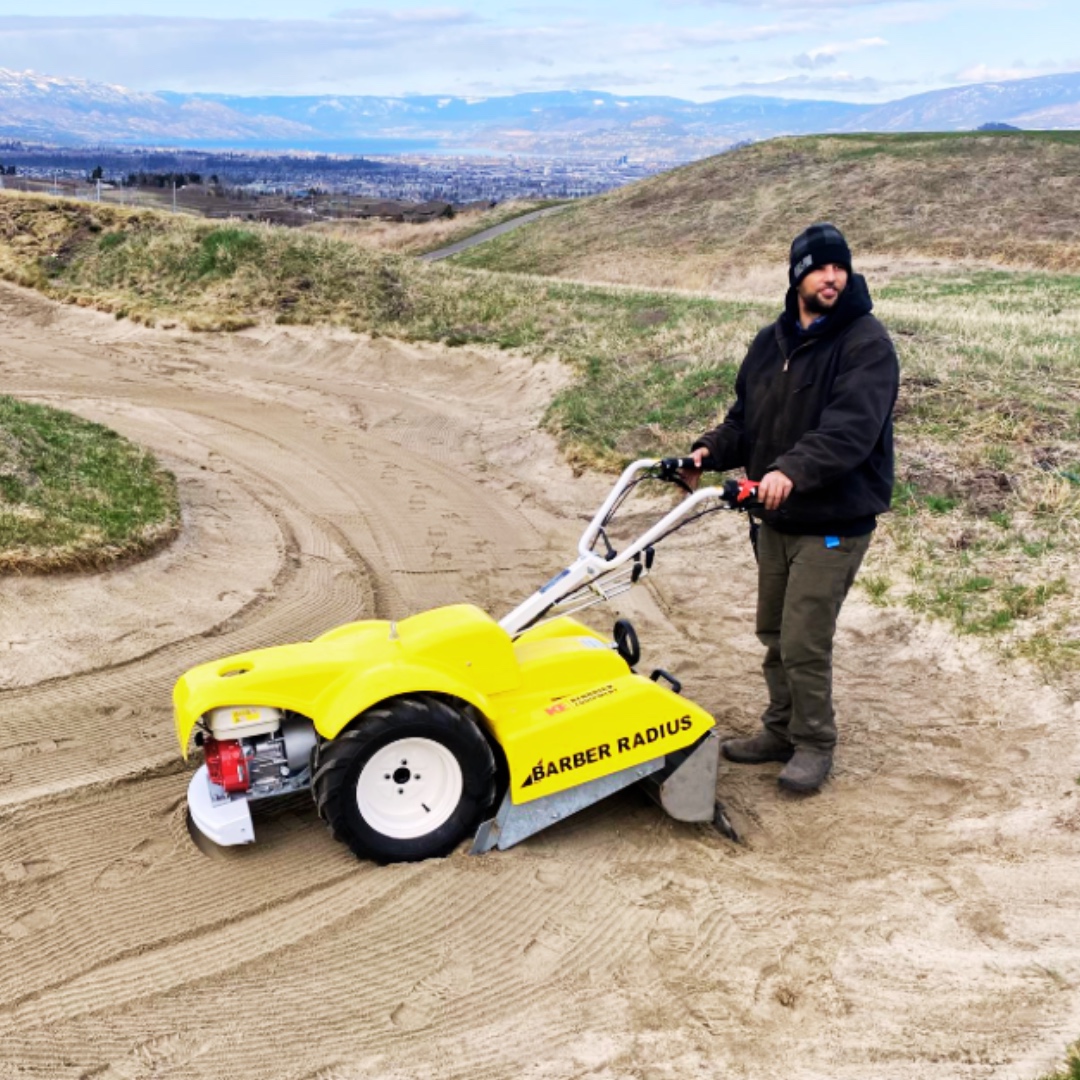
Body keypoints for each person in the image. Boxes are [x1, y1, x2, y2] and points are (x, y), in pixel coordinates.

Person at [683, 223, 899, 794]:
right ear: (797, 275)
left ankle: (814, 743)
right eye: (820, 267)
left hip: (834, 521)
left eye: (840, 268)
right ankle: (779, 728)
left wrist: (789, 472)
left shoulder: (865, 344)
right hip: (774, 517)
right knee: (774, 632)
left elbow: (849, 432)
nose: (832, 277)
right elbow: (744, 421)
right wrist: (706, 451)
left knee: (804, 638)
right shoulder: (771, 341)